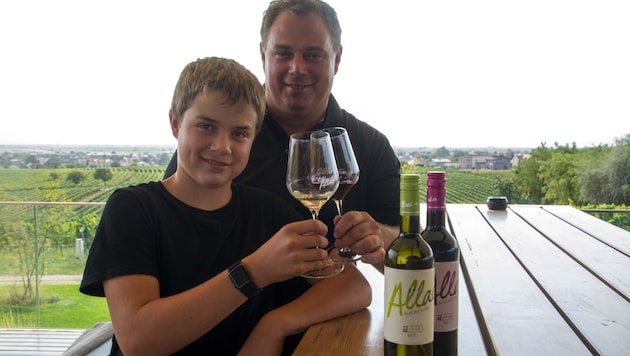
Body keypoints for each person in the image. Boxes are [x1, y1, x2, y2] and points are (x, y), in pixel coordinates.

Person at [79, 56, 371, 355]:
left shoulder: (267, 211)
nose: (222, 146)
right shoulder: (133, 209)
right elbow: (138, 341)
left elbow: (353, 286)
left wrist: (275, 324)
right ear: (175, 123)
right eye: (206, 126)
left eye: (239, 133)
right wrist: (252, 272)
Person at [165, 0, 401, 273]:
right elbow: (171, 239)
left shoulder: (369, 146)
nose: (297, 68)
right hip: (235, 311)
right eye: (283, 53)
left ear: (337, 59)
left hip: (336, 304)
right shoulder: (220, 145)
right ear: (263, 54)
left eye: (313, 55)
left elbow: (413, 254)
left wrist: (380, 238)